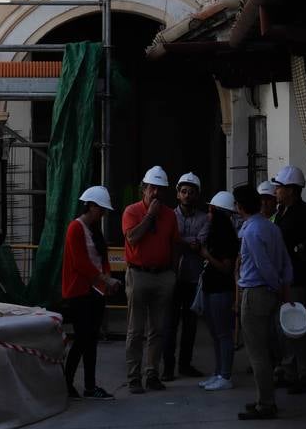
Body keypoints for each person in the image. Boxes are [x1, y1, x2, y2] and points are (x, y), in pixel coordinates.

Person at [233, 184, 292, 420]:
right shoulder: (271, 227)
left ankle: (266, 403)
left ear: (240, 207)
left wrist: (277, 286)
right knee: (265, 349)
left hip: (257, 292)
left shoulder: (251, 231)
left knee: (257, 352)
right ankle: (263, 399)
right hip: (269, 292)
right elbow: (285, 261)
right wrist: (283, 286)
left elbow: (263, 265)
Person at [122, 166, 178, 393]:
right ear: (144, 189)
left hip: (162, 275)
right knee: (136, 329)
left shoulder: (170, 215)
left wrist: (173, 273)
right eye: (152, 188)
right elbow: (133, 238)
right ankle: (134, 375)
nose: (155, 193)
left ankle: (152, 372)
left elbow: (174, 245)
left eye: (159, 189)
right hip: (139, 274)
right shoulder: (132, 211)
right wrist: (150, 215)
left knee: (157, 328)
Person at [272, 165, 306, 394]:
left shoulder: (304, 212)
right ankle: (289, 370)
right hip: (284, 277)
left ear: (291, 190)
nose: (276, 191)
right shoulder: (283, 211)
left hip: (297, 279)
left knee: (297, 327)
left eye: (280, 188)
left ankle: (304, 374)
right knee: (284, 327)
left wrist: (301, 248)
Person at [62, 185, 120, 399]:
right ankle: (69, 383)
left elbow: (102, 260)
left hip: (95, 291)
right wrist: (105, 279)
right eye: (101, 209)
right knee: (82, 339)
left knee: (89, 340)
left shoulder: (95, 230)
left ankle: (88, 386)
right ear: (91, 206)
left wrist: (105, 281)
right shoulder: (75, 228)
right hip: (79, 292)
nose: (103, 213)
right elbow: (80, 263)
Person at [162, 172, 209, 380]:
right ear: (178, 194)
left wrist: (179, 240)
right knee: (169, 325)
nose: (187, 195)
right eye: (184, 192)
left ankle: (185, 365)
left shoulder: (204, 218)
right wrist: (185, 242)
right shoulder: (169, 216)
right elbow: (168, 240)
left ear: (197, 195)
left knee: (190, 325)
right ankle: (168, 368)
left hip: (193, 278)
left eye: (191, 192)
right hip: (172, 277)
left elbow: (200, 242)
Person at [198, 191, 239, 392]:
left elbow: (226, 267)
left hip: (221, 290)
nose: (208, 213)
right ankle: (218, 372)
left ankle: (225, 374)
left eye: (210, 210)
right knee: (216, 333)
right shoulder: (215, 233)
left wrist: (207, 256)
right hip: (211, 288)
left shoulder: (227, 238)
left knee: (223, 334)